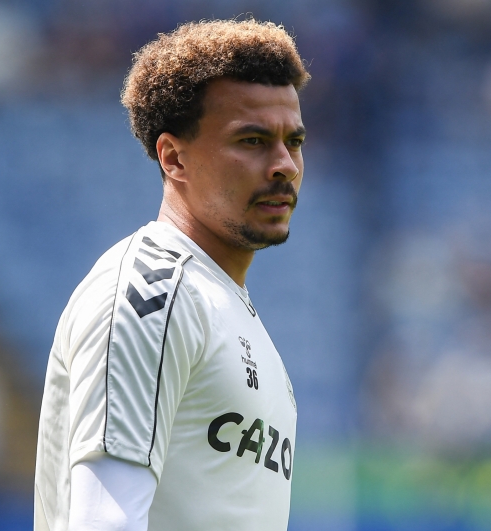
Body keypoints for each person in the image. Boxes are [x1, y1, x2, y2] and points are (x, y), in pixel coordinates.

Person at [33, 19, 310, 531]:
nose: (284, 165)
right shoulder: (152, 293)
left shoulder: (228, 310)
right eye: (251, 141)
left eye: (292, 142)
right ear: (173, 157)